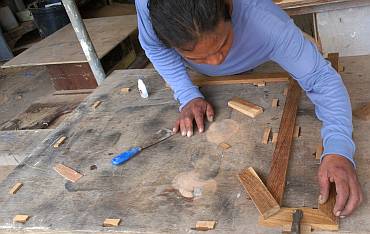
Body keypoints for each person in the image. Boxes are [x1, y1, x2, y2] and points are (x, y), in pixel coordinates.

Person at [135, 0, 363, 217]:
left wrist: (338, 149)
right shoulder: (149, 9)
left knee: (310, 55)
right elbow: (154, 48)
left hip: (261, 50)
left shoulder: (266, 23)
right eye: (197, 55)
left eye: (222, 43)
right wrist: (186, 93)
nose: (215, 61)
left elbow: (321, 79)